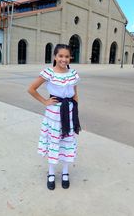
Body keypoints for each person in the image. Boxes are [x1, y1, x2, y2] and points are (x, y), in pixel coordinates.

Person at [28, 44, 81, 190]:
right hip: (54, 113)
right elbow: (31, 89)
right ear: (55, 57)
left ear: (70, 58)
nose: (64, 59)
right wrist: (45, 101)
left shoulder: (73, 73)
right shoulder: (49, 73)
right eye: (61, 56)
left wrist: (75, 109)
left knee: (67, 141)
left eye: (67, 56)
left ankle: (65, 172)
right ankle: (51, 173)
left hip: (69, 111)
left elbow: (74, 91)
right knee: (54, 140)